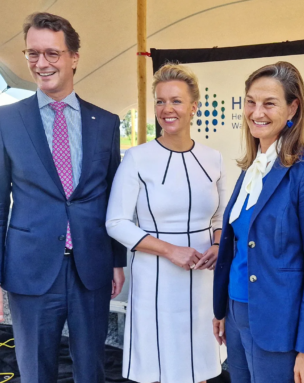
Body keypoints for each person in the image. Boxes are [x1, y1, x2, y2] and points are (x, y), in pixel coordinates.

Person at [0, 12, 126, 383]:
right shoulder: (6, 121)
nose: (41, 64)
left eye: (51, 54)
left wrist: (116, 261)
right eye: (32, 54)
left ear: (73, 57)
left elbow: (112, 198)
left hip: (89, 271)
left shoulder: (106, 123)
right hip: (29, 272)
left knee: (91, 371)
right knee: (36, 373)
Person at [212, 61, 304, 383]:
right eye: (250, 102)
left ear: (293, 106)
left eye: (269, 103)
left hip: (279, 323)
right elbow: (238, 246)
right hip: (237, 313)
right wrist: (224, 310)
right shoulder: (252, 168)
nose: (257, 112)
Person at [106, 63, 226, 383]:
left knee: (199, 364)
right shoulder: (137, 158)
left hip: (203, 276)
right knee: (159, 365)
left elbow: (220, 216)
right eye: (160, 101)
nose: (166, 109)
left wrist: (216, 244)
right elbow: (115, 221)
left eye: (175, 100)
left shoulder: (213, 158)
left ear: (193, 107)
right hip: (155, 276)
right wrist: (170, 250)